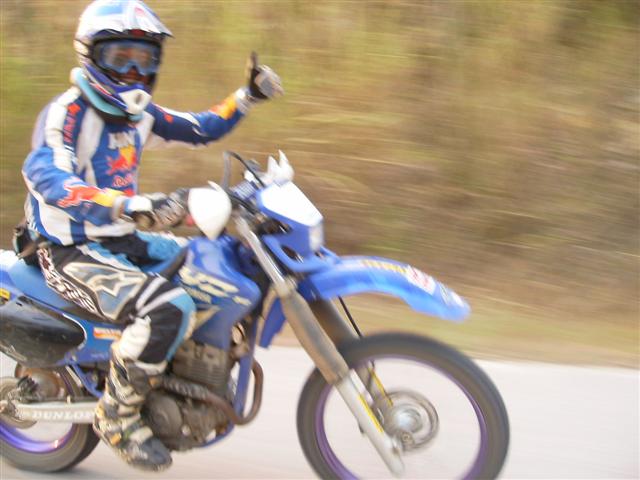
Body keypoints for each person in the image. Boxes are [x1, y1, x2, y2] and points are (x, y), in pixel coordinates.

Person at [20, 0, 282, 471]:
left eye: (145, 59)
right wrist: (127, 205)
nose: (134, 72)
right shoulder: (68, 113)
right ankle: (116, 417)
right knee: (167, 307)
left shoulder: (139, 115)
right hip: (69, 250)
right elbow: (48, 177)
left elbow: (200, 128)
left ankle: (180, 372)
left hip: (123, 238)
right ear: (90, 55)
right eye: (120, 58)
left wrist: (245, 97)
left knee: (214, 264)